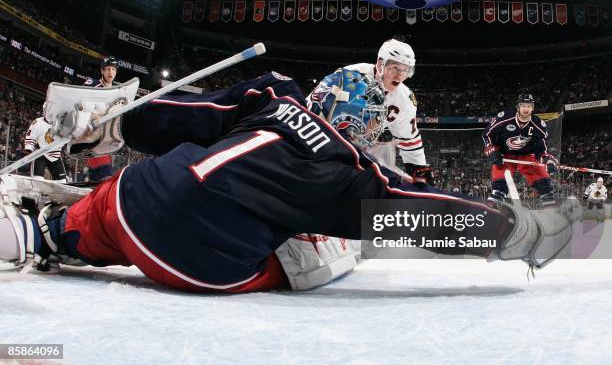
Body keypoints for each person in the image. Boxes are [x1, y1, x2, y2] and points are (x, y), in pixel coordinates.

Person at [0, 73, 578, 293]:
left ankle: (43, 232)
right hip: (205, 263)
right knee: (316, 245)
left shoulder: (272, 95)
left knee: (118, 200)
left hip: (134, 201)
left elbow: (178, 115)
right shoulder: (349, 167)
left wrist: (111, 121)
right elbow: (411, 210)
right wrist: (515, 228)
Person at [309, 39, 432, 184]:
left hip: (361, 152)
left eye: (405, 70)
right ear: (380, 63)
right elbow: (314, 106)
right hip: (324, 142)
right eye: (395, 68)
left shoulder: (404, 100)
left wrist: (420, 173)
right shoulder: (349, 76)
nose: (400, 75)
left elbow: (410, 142)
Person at [482, 93, 558, 207]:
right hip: (505, 154)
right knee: (501, 181)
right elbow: (486, 134)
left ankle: (550, 204)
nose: (526, 109)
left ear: (533, 107)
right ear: (518, 107)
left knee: (544, 183)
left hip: (527, 155)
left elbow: (542, 150)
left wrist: (548, 161)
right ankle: (496, 198)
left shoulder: (539, 125)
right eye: (523, 105)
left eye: (529, 106)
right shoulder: (504, 118)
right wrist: (490, 150)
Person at [82, 56, 119, 181]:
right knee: (106, 178)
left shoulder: (116, 92)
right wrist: (99, 117)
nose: (110, 72)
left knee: (95, 182)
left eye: (113, 69)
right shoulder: (93, 85)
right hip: (92, 138)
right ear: (102, 71)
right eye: (107, 69)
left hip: (105, 140)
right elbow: (82, 108)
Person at [23, 114, 67, 182]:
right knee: (37, 180)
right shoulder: (38, 122)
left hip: (55, 155)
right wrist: (29, 148)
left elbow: (67, 138)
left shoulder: (62, 124)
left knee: (62, 181)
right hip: (40, 153)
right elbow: (31, 135)